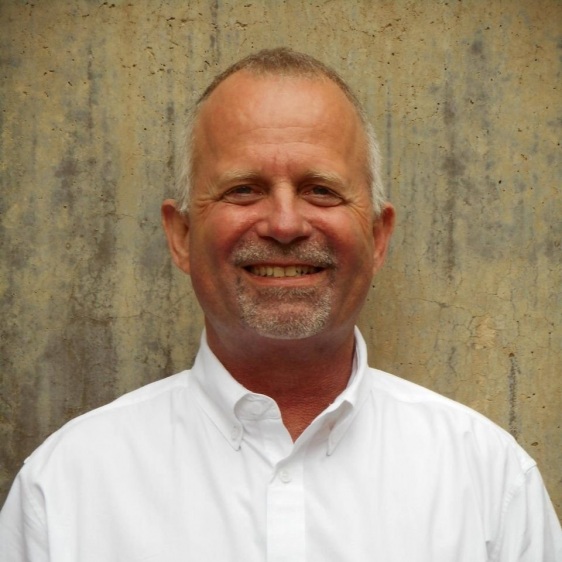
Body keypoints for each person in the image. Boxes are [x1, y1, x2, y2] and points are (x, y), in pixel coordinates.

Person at [0, 47, 560, 561]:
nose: (286, 224)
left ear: (377, 237)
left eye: (321, 189)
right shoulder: (65, 488)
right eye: (243, 189)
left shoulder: (490, 484)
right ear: (180, 236)